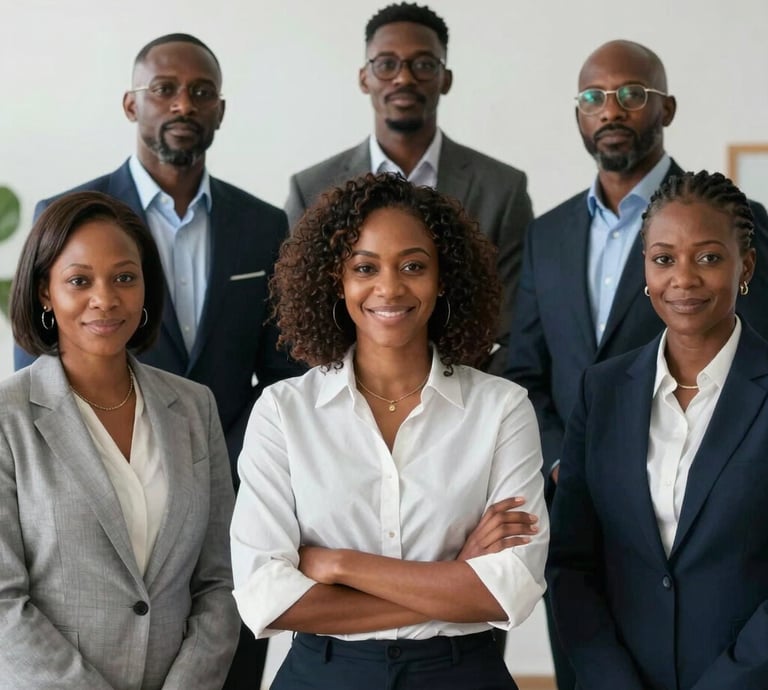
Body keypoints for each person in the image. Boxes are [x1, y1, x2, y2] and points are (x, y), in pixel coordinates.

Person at [14, 33, 301, 686]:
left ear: (220, 111)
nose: (183, 103)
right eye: (164, 89)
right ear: (130, 104)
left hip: (230, 501)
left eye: (201, 92)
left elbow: (281, 378)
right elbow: (33, 386)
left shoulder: (262, 225)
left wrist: (228, 469)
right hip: (80, 533)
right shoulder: (64, 215)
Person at [504, 40, 768, 689]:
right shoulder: (549, 232)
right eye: (593, 97)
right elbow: (526, 365)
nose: (610, 109)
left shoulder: (735, 220)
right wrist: (570, 455)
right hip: (593, 518)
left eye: (631, 93)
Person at [230, 173, 548, 689]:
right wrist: (453, 581)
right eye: (365, 267)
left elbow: (509, 591)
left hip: (461, 676)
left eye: (414, 266)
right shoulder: (284, 411)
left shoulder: (501, 409)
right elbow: (265, 596)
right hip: (323, 676)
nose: (390, 287)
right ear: (337, 280)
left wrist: (338, 564)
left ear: (443, 277)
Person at [1, 191, 239, 689]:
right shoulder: (8, 417)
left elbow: (220, 582)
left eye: (124, 278)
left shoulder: (195, 407)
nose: (105, 299)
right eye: (79, 281)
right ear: (46, 291)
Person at [547, 170, 768, 690]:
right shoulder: (601, 391)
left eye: (709, 257)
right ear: (644, 270)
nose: (683, 279)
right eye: (663, 259)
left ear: (746, 267)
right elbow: (571, 564)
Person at [285, 2, 533, 375]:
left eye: (423, 64)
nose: (403, 78)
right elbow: (302, 311)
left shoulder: (502, 188)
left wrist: (466, 393)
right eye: (386, 64)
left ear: (445, 78)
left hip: (465, 398)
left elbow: (515, 325)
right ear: (364, 77)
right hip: (343, 400)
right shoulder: (312, 188)